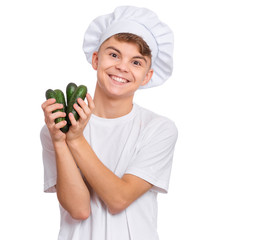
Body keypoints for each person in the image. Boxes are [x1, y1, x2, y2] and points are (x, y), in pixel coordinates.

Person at [40, 6, 178, 240]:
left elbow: (118, 199)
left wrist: (74, 139)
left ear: (147, 76)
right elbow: (79, 209)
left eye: (136, 62)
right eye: (113, 55)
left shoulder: (159, 129)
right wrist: (60, 141)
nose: (122, 67)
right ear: (96, 59)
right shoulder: (54, 129)